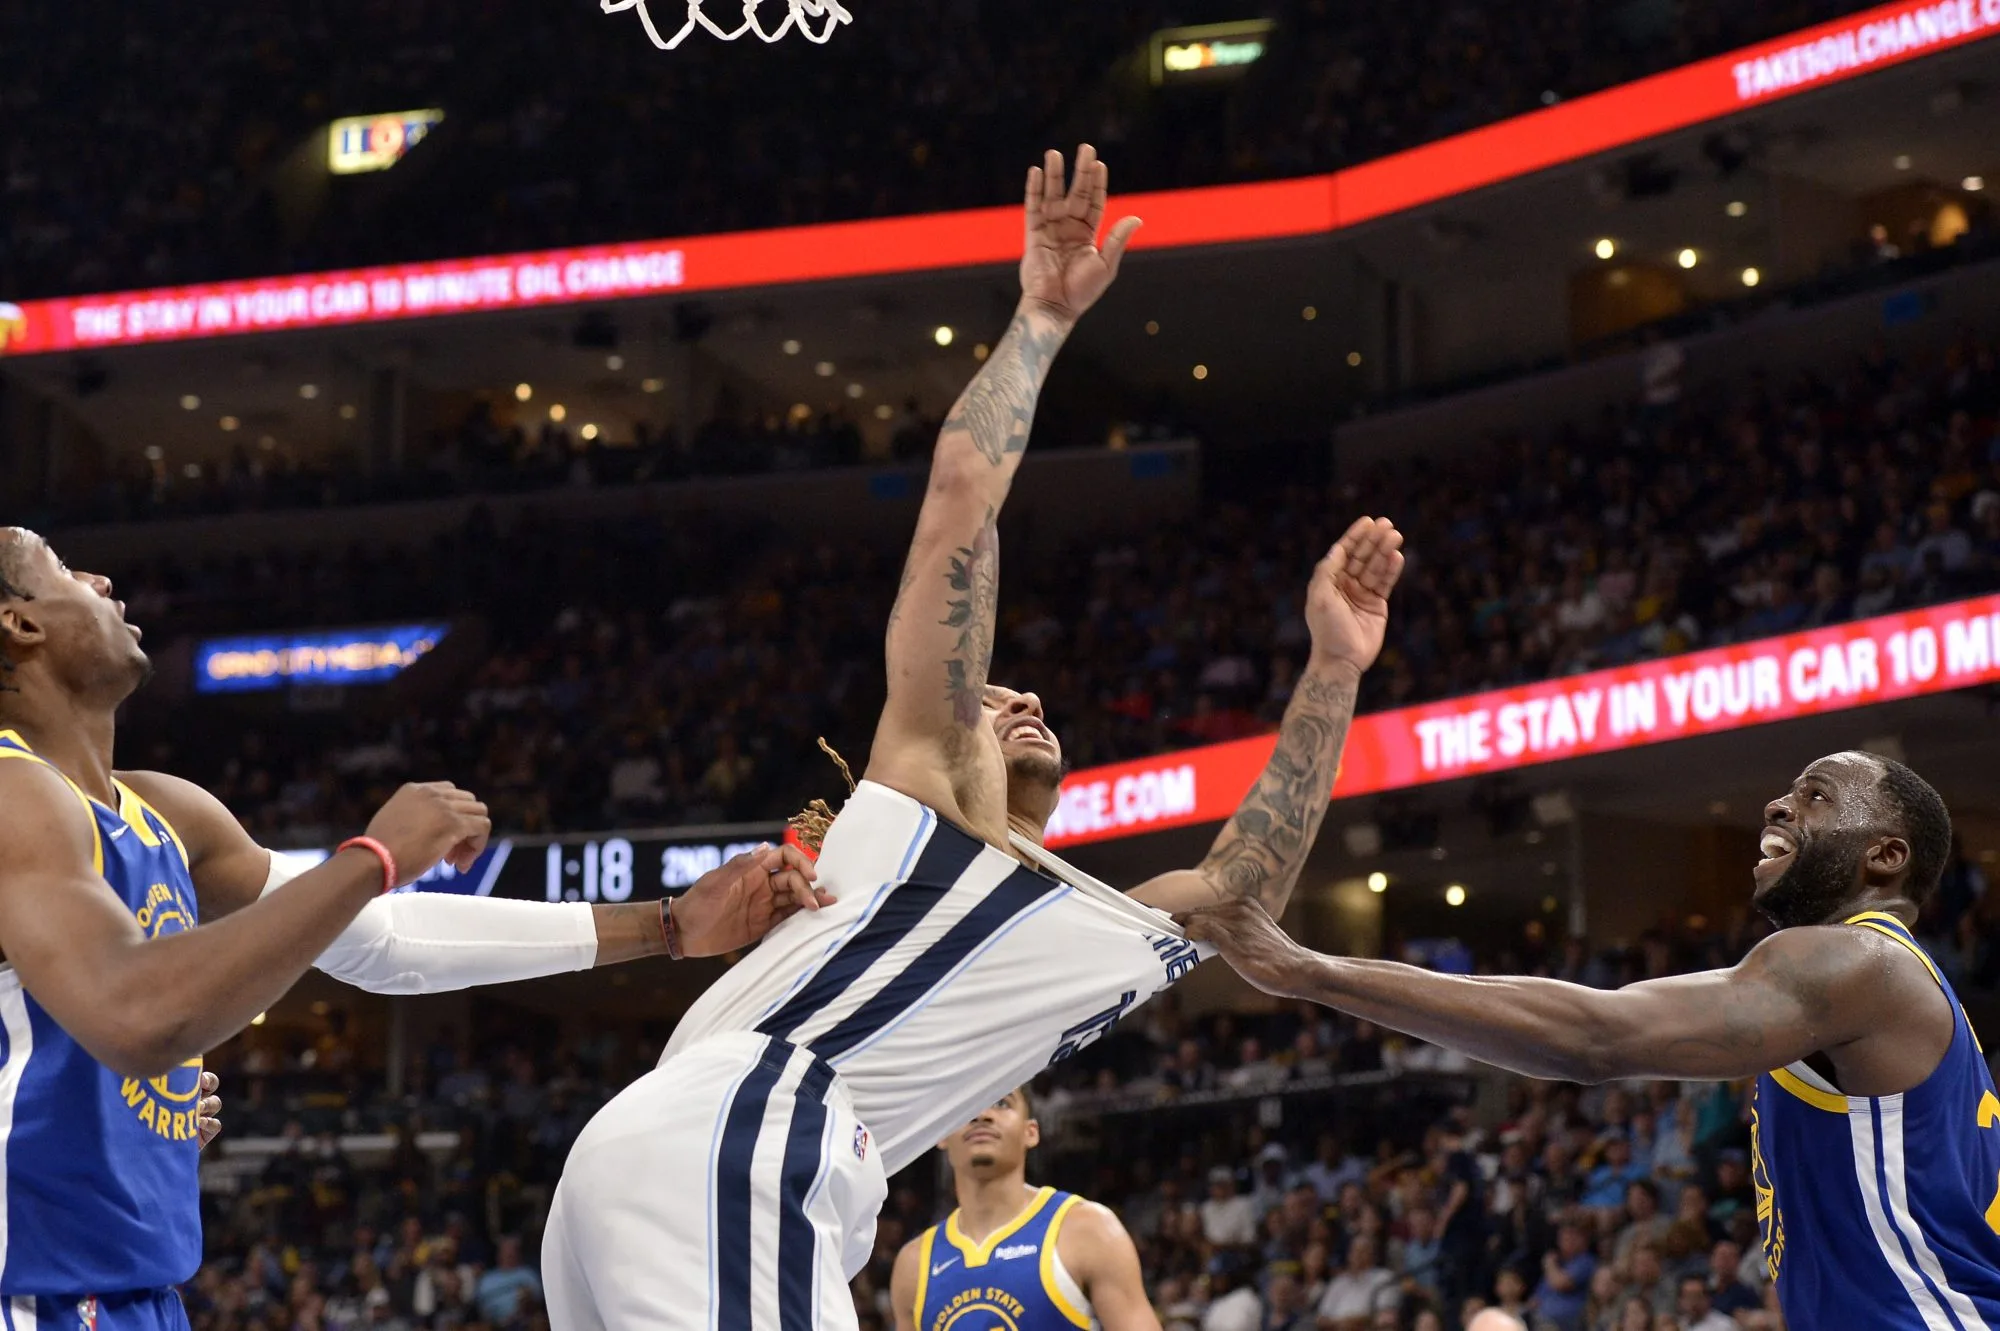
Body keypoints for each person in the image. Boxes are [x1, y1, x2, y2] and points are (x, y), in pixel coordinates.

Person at [538, 145, 1406, 1331]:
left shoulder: (1082, 921)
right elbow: (959, 507)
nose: (1023, 700)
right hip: (743, 1132)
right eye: (994, 696)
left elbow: (1246, 882)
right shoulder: (919, 805)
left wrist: (1333, 669)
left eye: (1029, 700)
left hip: (681, 1162)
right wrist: (1041, 322)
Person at [0, 529, 825, 1329]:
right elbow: (137, 1015)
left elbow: (382, 941)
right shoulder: (11, 793)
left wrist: (669, 924)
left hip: (134, 1294)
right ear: (21, 620)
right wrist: (372, 856)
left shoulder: (164, 812)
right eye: (67, 570)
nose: (103, 582)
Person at [1185, 750, 2000, 1328]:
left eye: (1817, 795)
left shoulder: (1855, 958)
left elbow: (1597, 1037)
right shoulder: (1907, 997)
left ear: (1886, 856)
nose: (1778, 806)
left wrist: (1311, 971)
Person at [891, 1087, 1156, 1331]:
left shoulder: (1088, 1229)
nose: (982, 1114)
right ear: (943, 1135)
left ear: (1031, 1132)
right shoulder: (913, 1264)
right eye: (968, 1105)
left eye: (1001, 1103)